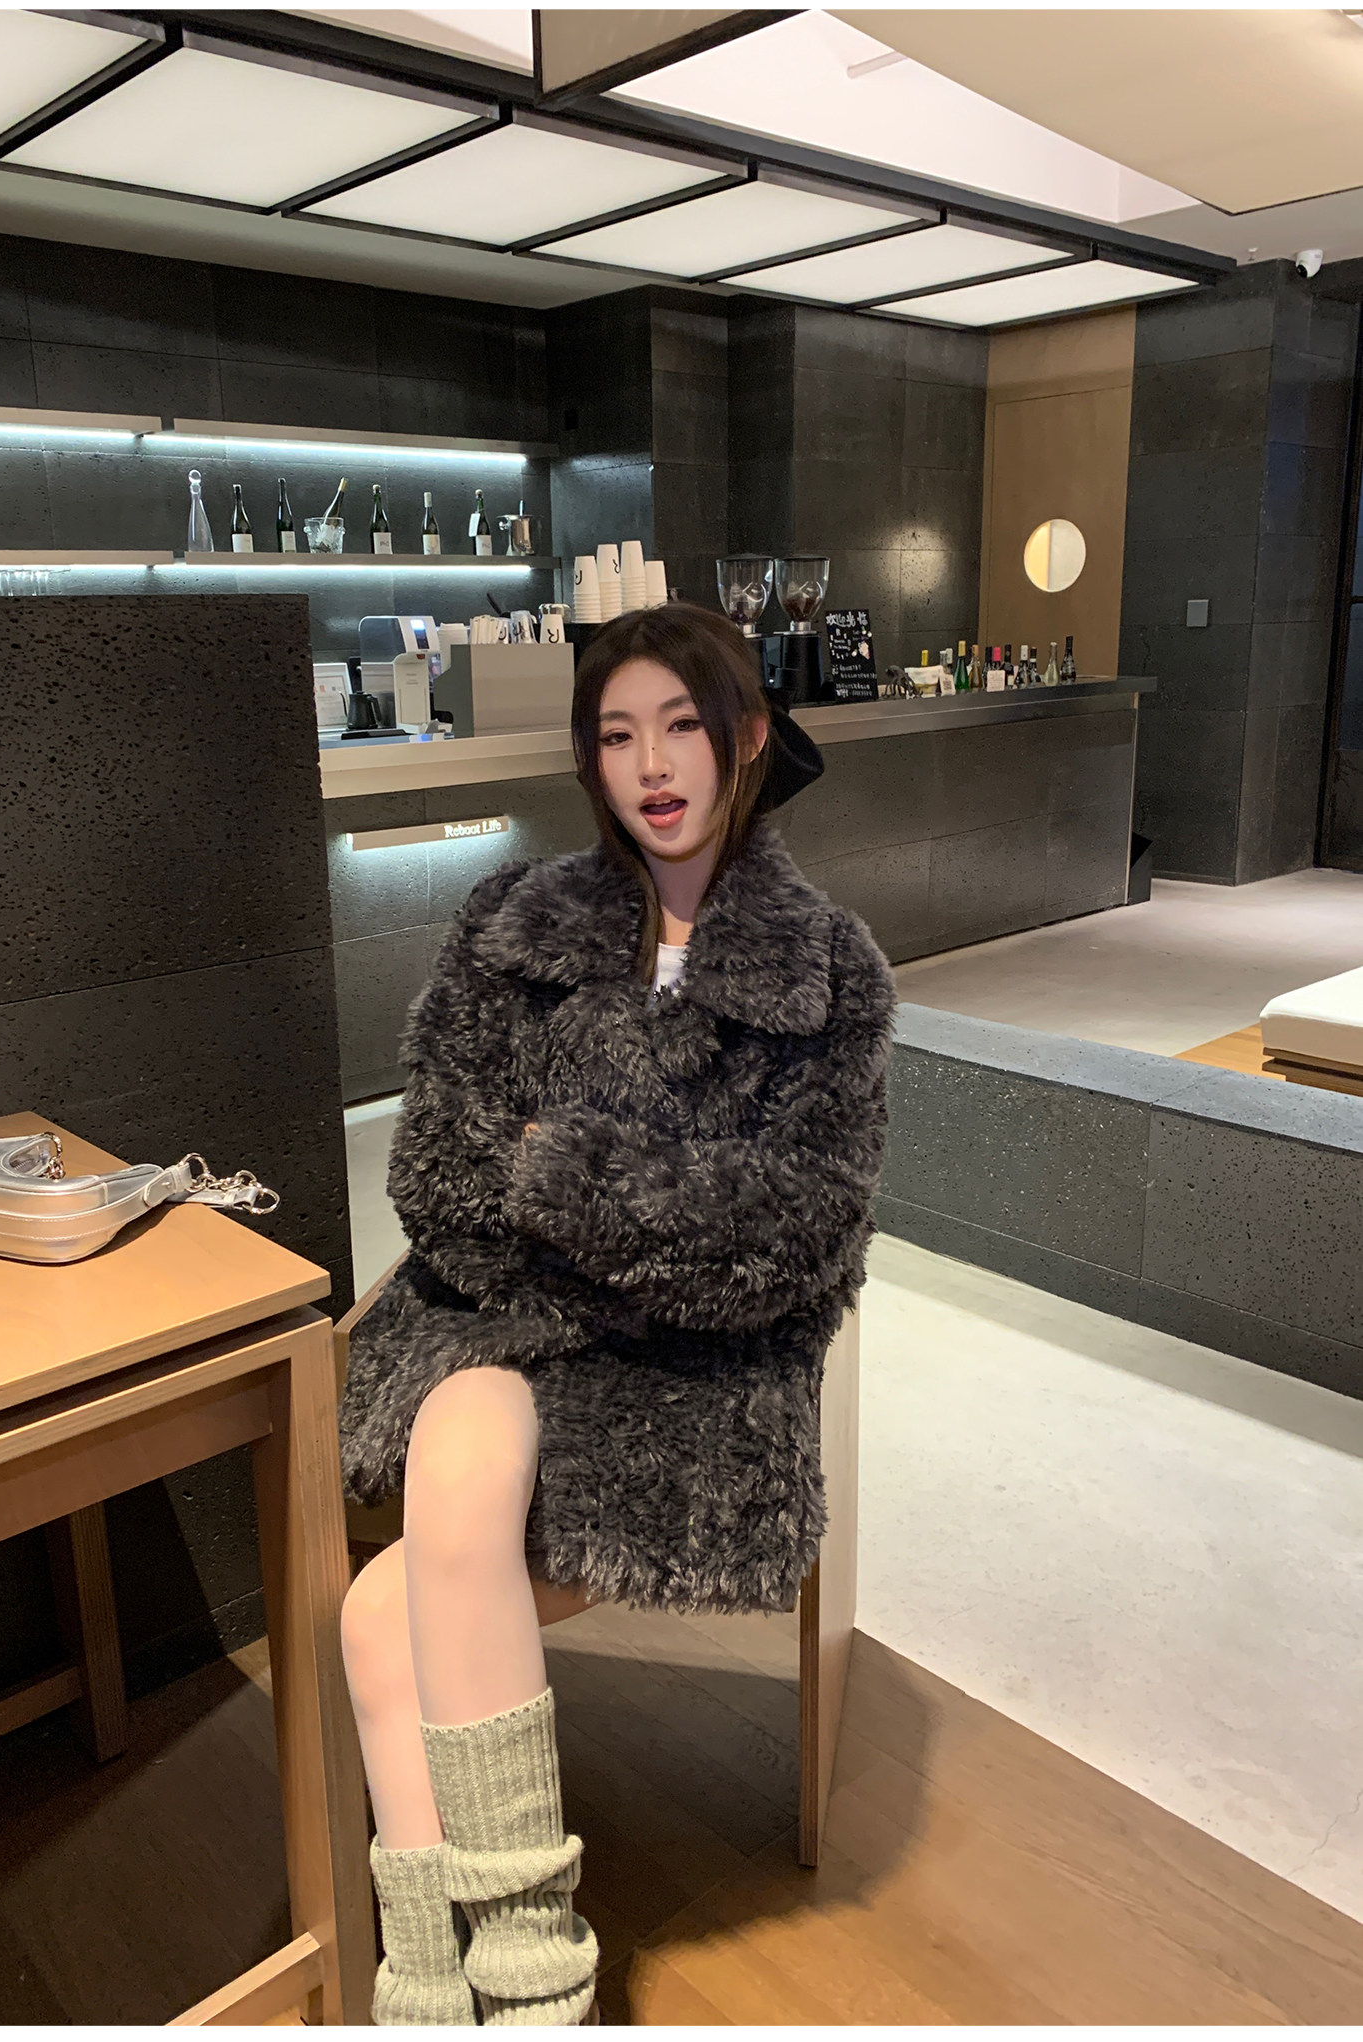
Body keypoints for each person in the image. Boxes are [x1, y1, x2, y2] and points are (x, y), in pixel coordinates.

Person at [337, 601, 897, 2025]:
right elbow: (435, 1173)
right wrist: (636, 1213)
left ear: (747, 738)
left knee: (377, 1611)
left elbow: (796, 1229)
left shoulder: (826, 968)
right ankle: (503, 1977)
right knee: (451, 1459)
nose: (651, 764)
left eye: (682, 726)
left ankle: (461, 1974)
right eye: (617, 733)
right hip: (495, 1323)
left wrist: (564, 1172)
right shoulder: (512, 923)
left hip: (692, 1375)